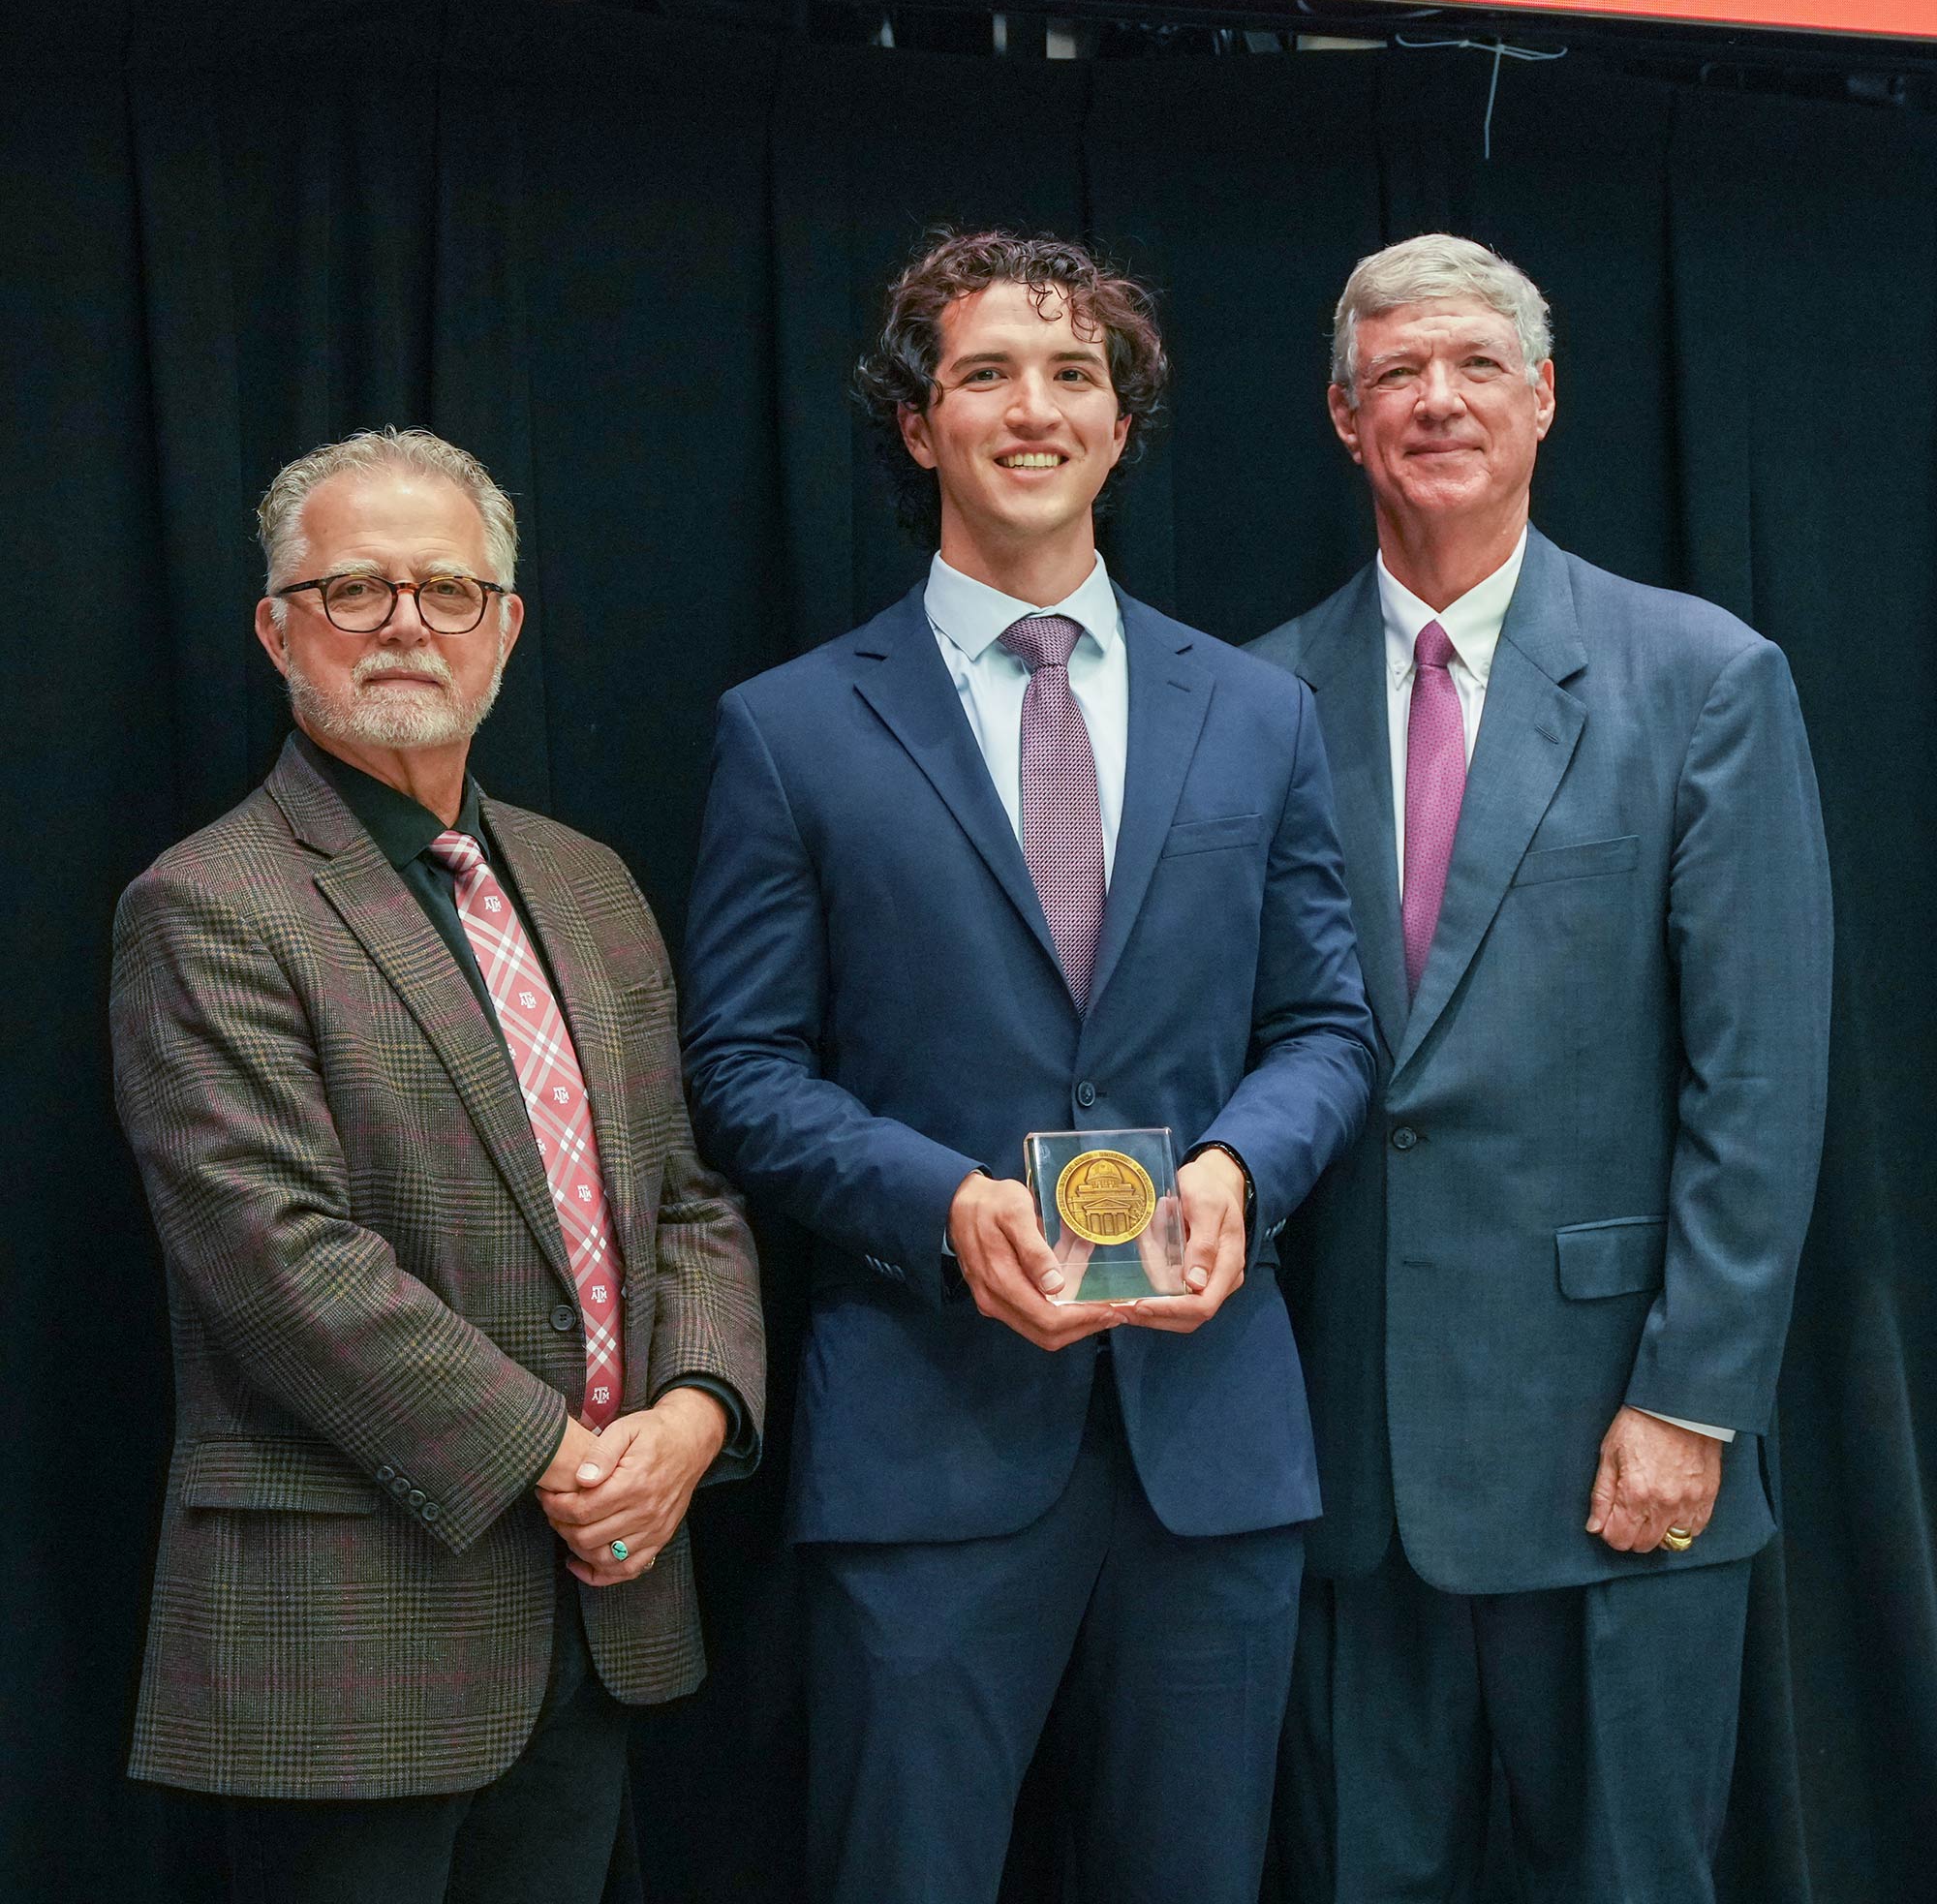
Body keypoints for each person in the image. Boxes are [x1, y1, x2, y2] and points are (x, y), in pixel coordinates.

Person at [679, 230, 1375, 1904]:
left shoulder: (1257, 713)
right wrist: (946, 1206)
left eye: (1075, 375)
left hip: (1207, 1450)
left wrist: (1234, 1169)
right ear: (917, 426)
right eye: (984, 372)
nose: (1033, 408)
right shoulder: (790, 729)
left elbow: (1327, 1025)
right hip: (927, 1443)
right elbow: (745, 1066)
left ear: (1123, 425)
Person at [1251, 234, 1832, 1904]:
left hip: (1622, 1451)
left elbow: (1763, 1085)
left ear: (1546, 398)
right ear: (1345, 419)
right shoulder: (1256, 696)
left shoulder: (1705, 679)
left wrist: (1691, 1399)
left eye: (1477, 366)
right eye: (1397, 375)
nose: (1438, 400)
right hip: (1340, 1463)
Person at [109, 427, 764, 1904]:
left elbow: (688, 1196)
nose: (407, 623)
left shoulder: (591, 883)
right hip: (351, 1642)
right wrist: (561, 1455)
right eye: (353, 589)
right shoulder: (208, 903)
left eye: (449, 591)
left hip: (600, 1612)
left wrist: (697, 1414)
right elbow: (277, 1258)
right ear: (276, 627)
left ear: (507, 627)